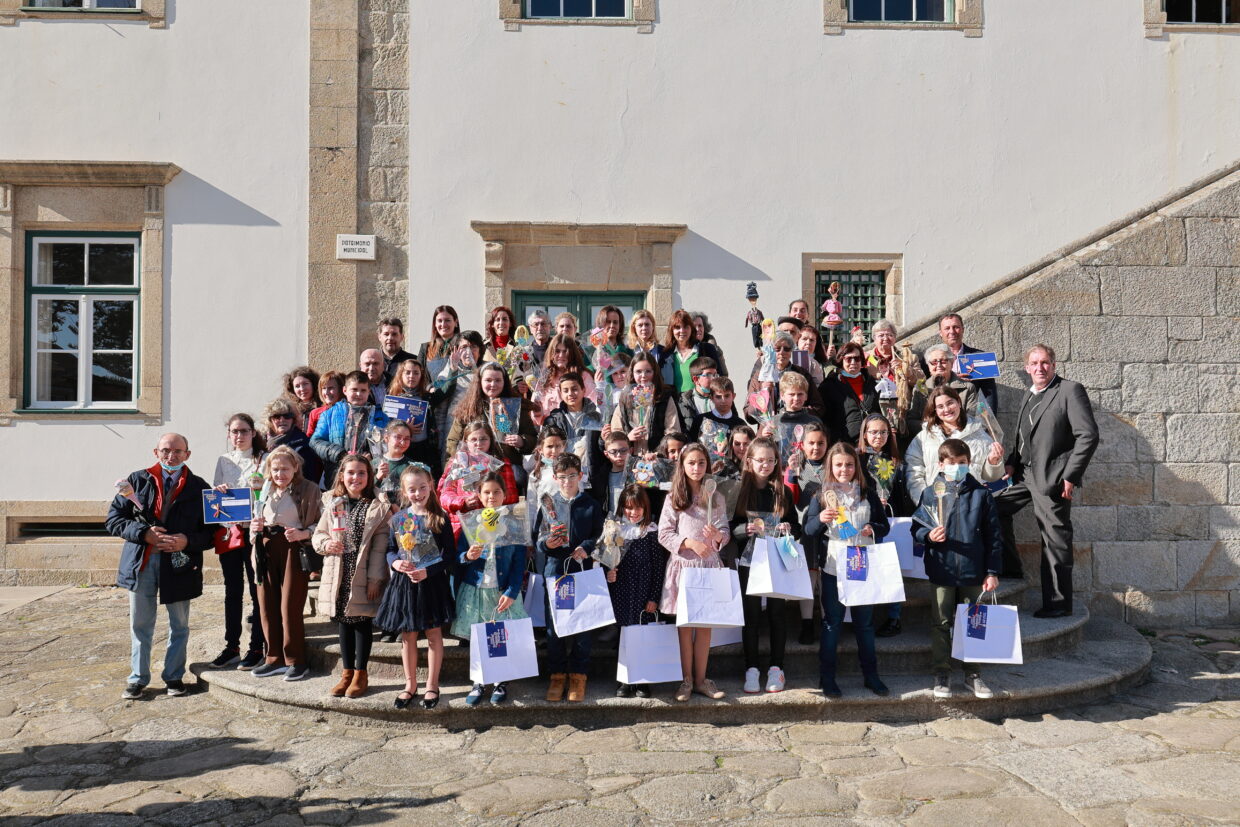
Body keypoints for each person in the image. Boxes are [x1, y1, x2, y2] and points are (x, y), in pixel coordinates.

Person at [107, 433, 213, 699]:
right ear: (156, 452)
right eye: (166, 450)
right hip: (140, 563)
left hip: (179, 564)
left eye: (178, 451)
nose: (171, 456)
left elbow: (212, 533)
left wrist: (186, 540)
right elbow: (114, 520)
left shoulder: (199, 487)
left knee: (180, 625)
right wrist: (144, 532)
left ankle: (174, 677)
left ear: (187, 454)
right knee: (141, 624)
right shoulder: (136, 480)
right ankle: (138, 678)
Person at [997, 344, 1098, 618]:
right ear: (1027, 368)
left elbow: (1087, 436)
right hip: (1023, 475)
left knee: (1055, 540)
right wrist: (1011, 461)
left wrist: (1070, 476)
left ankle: (1058, 604)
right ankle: (1010, 568)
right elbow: (1024, 435)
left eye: (1045, 363)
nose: (1040, 368)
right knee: (991, 507)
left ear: (1054, 365)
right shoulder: (1029, 394)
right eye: (1034, 363)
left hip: (1052, 479)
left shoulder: (1069, 391)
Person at [914, 439, 1001, 700]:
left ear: (969, 463)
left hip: (974, 571)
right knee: (941, 622)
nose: (956, 467)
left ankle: (973, 673)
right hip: (943, 568)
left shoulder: (981, 494)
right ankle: (941, 671)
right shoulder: (931, 493)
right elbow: (916, 527)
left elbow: (994, 536)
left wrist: (992, 571)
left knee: (974, 623)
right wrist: (929, 536)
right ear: (941, 464)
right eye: (951, 463)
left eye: (961, 463)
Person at [804, 442, 890, 698]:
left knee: (864, 625)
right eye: (839, 464)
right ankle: (827, 678)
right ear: (831, 466)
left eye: (849, 464)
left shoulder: (867, 492)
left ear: (856, 466)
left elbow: (884, 526)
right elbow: (807, 530)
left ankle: (871, 676)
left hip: (861, 565)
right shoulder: (820, 494)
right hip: (833, 567)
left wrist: (872, 528)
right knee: (832, 623)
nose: (844, 469)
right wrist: (820, 519)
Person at [376, 464, 456, 710]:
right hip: (406, 583)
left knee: (433, 634)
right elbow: (390, 549)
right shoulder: (399, 518)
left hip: (431, 583)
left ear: (431, 486)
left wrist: (428, 571)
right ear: (404, 490)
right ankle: (410, 684)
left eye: (422, 487)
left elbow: (450, 556)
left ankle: (432, 685)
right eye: (412, 489)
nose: (418, 493)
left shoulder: (439, 518)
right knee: (408, 635)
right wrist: (396, 562)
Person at [311, 455, 391, 699]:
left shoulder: (377, 506)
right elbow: (319, 534)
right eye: (350, 473)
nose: (355, 478)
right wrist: (326, 544)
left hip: (363, 572)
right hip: (339, 571)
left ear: (369, 476)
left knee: (362, 622)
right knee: (343, 622)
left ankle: (360, 673)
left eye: (361, 473)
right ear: (342, 476)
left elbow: (380, 547)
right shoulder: (335, 503)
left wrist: (376, 579)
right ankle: (346, 673)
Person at [658, 442, 729, 702]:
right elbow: (664, 533)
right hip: (684, 567)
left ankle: (702, 680)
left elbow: (725, 531)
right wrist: (688, 543)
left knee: (705, 626)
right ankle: (686, 679)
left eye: (701, 463)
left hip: (708, 566)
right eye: (691, 463)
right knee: (686, 625)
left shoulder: (716, 496)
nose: (696, 468)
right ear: (682, 466)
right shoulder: (674, 497)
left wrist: (718, 536)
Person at [731, 436, 799, 694]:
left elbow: (796, 526)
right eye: (760, 460)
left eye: (771, 460)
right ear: (749, 461)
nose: (765, 465)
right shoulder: (739, 490)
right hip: (749, 560)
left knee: (776, 614)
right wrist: (742, 530)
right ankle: (751, 668)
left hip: (776, 560)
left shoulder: (781, 490)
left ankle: (776, 668)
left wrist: (788, 528)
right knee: (750, 615)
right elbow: (727, 527)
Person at [535, 453, 605, 703]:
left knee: (583, 626)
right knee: (555, 628)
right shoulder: (548, 504)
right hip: (556, 571)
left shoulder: (590, 504)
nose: (567, 482)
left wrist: (587, 546)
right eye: (562, 478)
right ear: (554, 478)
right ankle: (556, 675)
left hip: (582, 571)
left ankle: (578, 675)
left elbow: (600, 535)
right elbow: (539, 539)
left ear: (580, 476)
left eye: (572, 477)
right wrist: (548, 543)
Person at [248, 446, 321, 682]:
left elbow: (322, 523)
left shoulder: (309, 489)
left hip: (293, 549)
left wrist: (303, 534)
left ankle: (296, 660)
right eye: (275, 469)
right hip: (266, 548)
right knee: (266, 604)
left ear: (295, 468)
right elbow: (254, 517)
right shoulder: (263, 489)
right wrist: (254, 529)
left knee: (289, 606)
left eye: (285, 469)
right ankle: (274, 658)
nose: (280, 474)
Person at [210, 413, 267, 671]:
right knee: (232, 591)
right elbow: (214, 498)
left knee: (257, 591)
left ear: (253, 433)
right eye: (235, 431)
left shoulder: (264, 460)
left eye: (244, 431)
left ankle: (256, 647)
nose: (239, 436)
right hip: (231, 532)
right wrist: (219, 492)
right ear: (229, 434)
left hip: (255, 532)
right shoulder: (223, 460)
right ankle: (231, 645)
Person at [607, 484, 669, 698]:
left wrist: (654, 597)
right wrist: (609, 574)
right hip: (622, 591)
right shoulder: (615, 530)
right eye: (628, 508)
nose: (632, 512)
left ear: (645, 508)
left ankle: (643, 678)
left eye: (637, 508)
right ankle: (624, 678)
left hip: (644, 592)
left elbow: (659, 567)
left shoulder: (651, 532)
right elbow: (607, 560)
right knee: (624, 635)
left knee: (643, 635)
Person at [905, 386, 1004, 508]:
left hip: (972, 506)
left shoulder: (980, 435)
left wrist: (993, 462)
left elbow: (992, 478)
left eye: (950, 403)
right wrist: (924, 500)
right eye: (940, 406)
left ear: (958, 402)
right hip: (937, 506)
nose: (946, 409)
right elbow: (914, 471)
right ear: (935, 410)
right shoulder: (924, 437)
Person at [857, 413, 908, 638]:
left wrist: (887, 501)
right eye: (873, 432)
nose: (878, 436)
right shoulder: (857, 458)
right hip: (865, 522)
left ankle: (894, 617)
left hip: (891, 521)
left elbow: (902, 495)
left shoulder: (895, 460)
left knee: (891, 569)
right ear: (865, 434)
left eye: (883, 432)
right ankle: (862, 617)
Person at [445, 362, 537, 468]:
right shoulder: (468, 408)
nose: (493, 384)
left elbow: (533, 439)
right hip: (474, 464)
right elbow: (453, 441)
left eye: (498, 380)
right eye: (488, 380)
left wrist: (522, 441)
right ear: (480, 382)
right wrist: (465, 456)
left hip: (508, 463)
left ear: (504, 382)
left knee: (519, 478)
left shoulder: (514, 406)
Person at [438, 420, 519, 539]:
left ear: (491, 440)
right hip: (463, 525)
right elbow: (444, 495)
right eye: (473, 439)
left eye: (483, 439)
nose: (478, 443)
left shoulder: (501, 464)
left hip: (494, 523)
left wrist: (490, 496)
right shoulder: (457, 463)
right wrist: (463, 502)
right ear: (466, 441)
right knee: (466, 556)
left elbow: (512, 497)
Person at [787, 422, 830, 645]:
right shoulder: (797, 467)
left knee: (825, 577)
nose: (816, 447)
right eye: (811, 443)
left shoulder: (833, 466)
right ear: (802, 445)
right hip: (805, 528)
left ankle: (826, 622)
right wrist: (790, 476)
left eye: (820, 443)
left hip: (830, 529)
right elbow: (790, 497)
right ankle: (806, 623)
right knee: (808, 576)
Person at [310, 370, 390, 485]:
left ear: (369, 392)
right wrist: (340, 454)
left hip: (368, 476)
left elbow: (387, 444)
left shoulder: (380, 416)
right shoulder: (329, 414)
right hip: (337, 476)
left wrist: (372, 456)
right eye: (354, 390)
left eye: (363, 390)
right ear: (345, 390)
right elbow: (315, 442)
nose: (358, 394)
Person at [609, 351, 680, 457]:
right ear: (632, 373)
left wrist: (658, 453)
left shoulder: (664, 398)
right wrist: (628, 438)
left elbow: (672, 431)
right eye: (638, 371)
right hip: (631, 457)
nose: (643, 376)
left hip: (656, 457)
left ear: (654, 372)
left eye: (648, 371)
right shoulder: (625, 398)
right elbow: (616, 430)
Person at [743, 331, 826, 422]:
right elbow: (749, 415)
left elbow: (819, 408)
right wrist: (762, 394)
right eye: (777, 349)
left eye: (786, 349)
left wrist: (798, 412)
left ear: (791, 351)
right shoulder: (760, 376)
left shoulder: (801, 374)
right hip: (768, 431)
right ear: (770, 350)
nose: (782, 352)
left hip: (796, 429)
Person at [924, 313, 999, 413]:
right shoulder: (930, 359)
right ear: (940, 333)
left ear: (963, 329)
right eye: (947, 328)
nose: (952, 331)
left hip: (970, 417)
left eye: (956, 327)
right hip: (940, 416)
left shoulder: (980, 357)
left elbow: (989, 394)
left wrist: (987, 424)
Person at [385, 357, 441, 475]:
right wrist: (406, 429)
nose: (412, 376)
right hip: (402, 448)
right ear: (400, 375)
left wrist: (453, 368)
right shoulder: (393, 398)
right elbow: (387, 425)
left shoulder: (426, 397)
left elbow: (446, 391)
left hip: (423, 448)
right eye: (408, 372)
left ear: (421, 376)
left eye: (416, 373)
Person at [652, 309, 726, 393]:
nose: (682, 331)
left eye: (686, 327)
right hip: (674, 404)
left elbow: (720, 379)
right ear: (671, 331)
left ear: (691, 329)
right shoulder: (665, 354)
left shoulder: (706, 349)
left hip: (701, 403)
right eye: (677, 327)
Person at [821, 341, 880, 444]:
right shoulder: (829, 385)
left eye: (857, 359)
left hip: (871, 443)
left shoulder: (873, 384)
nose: (853, 362)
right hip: (844, 444)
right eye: (848, 359)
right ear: (841, 360)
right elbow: (825, 419)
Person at [533, 333, 595, 425]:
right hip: (550, 432)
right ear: (552, 353)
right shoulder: (545, 377)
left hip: (577, 430)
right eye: (557, 351)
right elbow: (536, 419)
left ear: (572, 353)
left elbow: (592, 406)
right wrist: (537, 411)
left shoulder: (583, 376)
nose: (561, 355)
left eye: (565, 351)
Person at [263, 397, 322, 487]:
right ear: (270, 420)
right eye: (276, 416)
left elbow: (310, 479)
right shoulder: (262, 443)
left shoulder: (303, 444)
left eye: (287, 416)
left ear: (293, 419)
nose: (282, 420)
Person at [673, 357, 721, 428]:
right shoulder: (682, 401)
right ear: (696, 379)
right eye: (709, 375)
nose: (714, 378)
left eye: (715, 375)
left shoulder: (723, 396)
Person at [378, 317, 416, 385]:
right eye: (386, 334)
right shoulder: (371, 361)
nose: (390, 338)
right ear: (379, 337)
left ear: (402, 337)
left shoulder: (413, 360)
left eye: (394, 334)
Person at [306, 371, 343, 439]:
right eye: (324, 388)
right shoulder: (315, 413)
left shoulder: (348, 410)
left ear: (341, 389)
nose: (326, 392)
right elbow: (309, 439)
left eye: (331, 388)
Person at [689, 311, 727, 376]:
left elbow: (723, 375)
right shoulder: (683, 350)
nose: (698, 329)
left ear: (704, 328)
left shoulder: (713, 348)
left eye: (700, 326)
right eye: (694, 326)